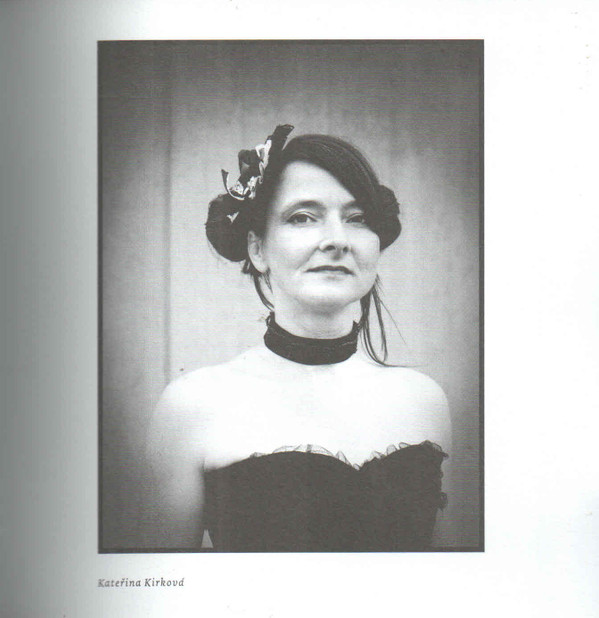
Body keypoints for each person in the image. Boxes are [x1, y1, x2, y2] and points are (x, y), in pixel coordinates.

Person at [141, 125, 451, 552]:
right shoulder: (192, 405)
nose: (337, 240)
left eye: (357, 218)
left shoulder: (424, 401)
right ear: (257, 249)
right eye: (302, 217)